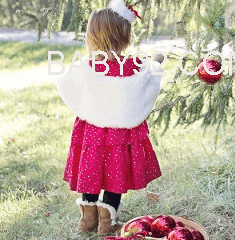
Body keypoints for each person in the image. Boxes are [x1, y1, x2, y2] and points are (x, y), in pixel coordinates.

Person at [56, 0, 164, 235]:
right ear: (125, 37)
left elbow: (65, 84)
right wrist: (157, 60)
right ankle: (107, 222)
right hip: (120, 135)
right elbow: (150, 76)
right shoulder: (134, 66)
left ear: (91, 37)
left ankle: (87, 220)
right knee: (116, 174)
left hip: (92, 133)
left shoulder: (85, 67)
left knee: (91, 171)